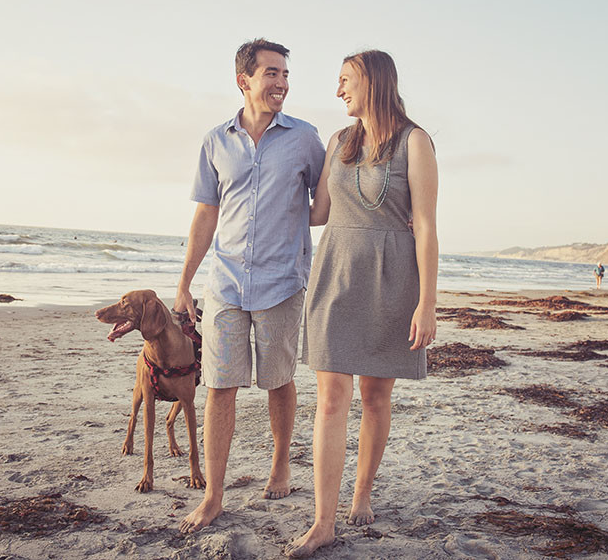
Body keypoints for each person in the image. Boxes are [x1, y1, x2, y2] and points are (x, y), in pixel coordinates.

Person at [286, 50, 438, 558]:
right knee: (330, 400)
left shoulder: (415, 142)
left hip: (392, 279)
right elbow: (317, 213)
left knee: (375, 397)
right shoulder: (338, 142)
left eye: (345, 81)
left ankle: (364, 490)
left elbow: (427, 226)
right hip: (335, 275)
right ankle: (323, 521)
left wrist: (428, 302)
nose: (338, 91)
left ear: (372, 82)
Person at [175, 38, 326, 533]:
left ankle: (281, 460)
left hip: (283, 282)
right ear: (244, 80)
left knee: (279, 380)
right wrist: (184, 283)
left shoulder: (305, 138)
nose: (282, 83)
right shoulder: (215, 140)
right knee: (219, 387)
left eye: (285, 74)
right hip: (225, 284)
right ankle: (215, 494)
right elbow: (205, 213)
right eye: (272, 74)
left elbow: (326, 204)